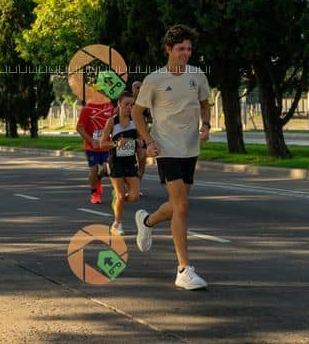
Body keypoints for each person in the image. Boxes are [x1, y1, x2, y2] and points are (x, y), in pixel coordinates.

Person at [131, 24, 211, 290]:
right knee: (182, 206)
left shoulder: (197, 75)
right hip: (165, 148)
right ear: (168, 49)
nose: (185, 53)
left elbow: (204, 104)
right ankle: (183, 270)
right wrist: (149, 142)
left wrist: (206, 125)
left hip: (190, 148)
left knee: (179, 204)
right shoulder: (154, 80)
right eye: (180, 49)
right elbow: (137, 113)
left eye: (188, 49)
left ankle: (147, 221)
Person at [99, 91, 142, 235]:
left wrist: (139, 142)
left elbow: (142, 139)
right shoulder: (112, 121)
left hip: (130, 162)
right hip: (115, 162)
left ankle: (117, 199)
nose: (129, 107)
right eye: (126, 104)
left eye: (132, 105)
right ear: (119, 104)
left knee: (134, 196)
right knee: (121, 195)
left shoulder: (136, 121)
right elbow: (102, 143)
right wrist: (116, 144)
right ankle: (117, 224)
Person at [76, 96, 114, 204]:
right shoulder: (87, 108)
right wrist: (91, 140)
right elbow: (79, 127)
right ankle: (94, 193)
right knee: (94, 169)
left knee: (107, 169)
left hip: (105, 145)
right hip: (91, 146)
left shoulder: (109, 107)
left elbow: (112, 124)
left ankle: (97, 179)